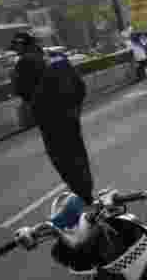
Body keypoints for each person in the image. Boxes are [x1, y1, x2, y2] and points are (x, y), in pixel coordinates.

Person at [10, 31, 94, 202]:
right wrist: (74, 109)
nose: (16, 52)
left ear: (21, 45)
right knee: (77, 153)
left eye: (16, 48)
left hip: (49, 120)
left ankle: (82, 193)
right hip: (70, 116)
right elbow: (79, 86)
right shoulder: (57, 57)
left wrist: (38, 107)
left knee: (62, 159)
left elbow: (21, 92)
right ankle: (87, 190)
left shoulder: (24, 63)